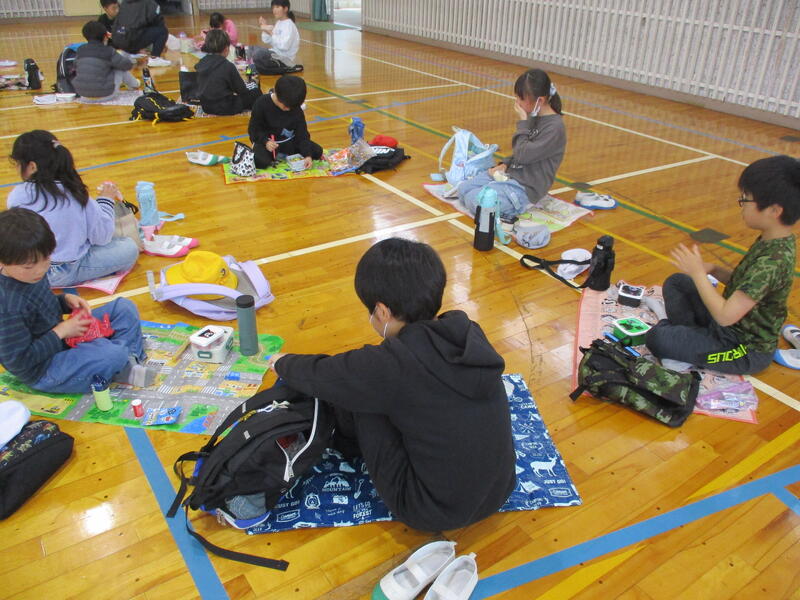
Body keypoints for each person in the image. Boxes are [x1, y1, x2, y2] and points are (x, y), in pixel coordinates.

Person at [267, 238, 516, 532]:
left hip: (432, 510)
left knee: (359, 394)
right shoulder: (467, 332)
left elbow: (324, 375)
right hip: (501, 488)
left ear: (382, 311)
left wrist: (280, 362)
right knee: (381, 389)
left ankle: (345, 446)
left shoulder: (389, 365)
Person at [645, 155, 799, 374]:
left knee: (657, 338)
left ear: (774, 211)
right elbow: (747, 286)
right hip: (727, 327)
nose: (741, 205)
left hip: (742, 349)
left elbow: (725, 316)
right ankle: (692, 342)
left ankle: (689, 345)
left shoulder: (773, 262)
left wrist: (698, 273)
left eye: (746, 199)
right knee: (677, 282)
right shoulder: (774, 240)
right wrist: (715, 270)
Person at [0, 207, 156, 394]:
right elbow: (20, 362)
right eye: (28, 266)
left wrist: (64, 301)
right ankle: (121, 362)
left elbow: (38, 308)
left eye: (47, 259)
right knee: (111, 353)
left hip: (64, 340)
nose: (40, 270)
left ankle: (127, 362)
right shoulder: (7, 307)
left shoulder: (30, 274)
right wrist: (60, 332)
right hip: (45, 369)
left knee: (124, 307)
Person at [7, 130, 139, 289]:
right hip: (63, 271)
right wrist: (106, 199)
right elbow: (102, 237)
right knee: (129, 247)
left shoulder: (18, 195)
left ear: (32, 166)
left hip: (28, 270)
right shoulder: (76, 194)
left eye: (18, 164)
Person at [458, 68, 566, 219]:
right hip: (511, 175)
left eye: (520, 98)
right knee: (463, 189)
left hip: (526, 187)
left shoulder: (554, 128)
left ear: (540, 101)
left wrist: (523, 123)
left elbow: (523, 155)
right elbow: (519, 152)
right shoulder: (534, 116)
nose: (517, 102)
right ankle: (497, 193)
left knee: (477, 201)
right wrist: (505, 164)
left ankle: (515, 206)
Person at [247, 75, 322, 169]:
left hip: (289, 143)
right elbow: (253, 130)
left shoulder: (295, 108)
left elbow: (302, 134)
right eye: (286, 106)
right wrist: (265, 141)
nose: (288, 109)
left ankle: (283, 155)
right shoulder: (261, 103)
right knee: (260, 161)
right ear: (277, 94)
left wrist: (307, 155)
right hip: (268, 144)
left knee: (317, 151)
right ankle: (277, 155)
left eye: (292, 107)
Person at [195, 30, 261, 116]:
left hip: (206, 106)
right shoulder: (228, 65)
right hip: (226, 107)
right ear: (226, 49)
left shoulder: (200, 63)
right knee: (256, 93)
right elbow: (241, 90)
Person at [73, 20, 139, 101]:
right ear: (106, 36)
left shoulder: (80, 49)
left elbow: (75, 65)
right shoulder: (109, 51)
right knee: (120, 68)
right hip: (106, 95)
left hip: (83, 95)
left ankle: (134, 84)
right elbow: (127, 65)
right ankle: (135, 85)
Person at [248, 0, 302, 74]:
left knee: (259, 53)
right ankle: (254, 66)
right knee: (252, 48)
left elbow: (284, 46)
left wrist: (271, 33)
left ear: (285, 9)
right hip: (275, 54)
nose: (274, 10)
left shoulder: (290, 26)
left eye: (277, 7)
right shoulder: (279, 23)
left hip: (284, 59)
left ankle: (254, 67)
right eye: (273, 8)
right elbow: (267, 40)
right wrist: (265, 27)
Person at [113, 0, 171, 67]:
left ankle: (126, 54)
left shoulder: (124, 2)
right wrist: (160, 43)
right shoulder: (149, 3)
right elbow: (158, 20)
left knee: (133, 30)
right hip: (132, 40)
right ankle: (155, 59)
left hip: (118, 39)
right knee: (162, 31)